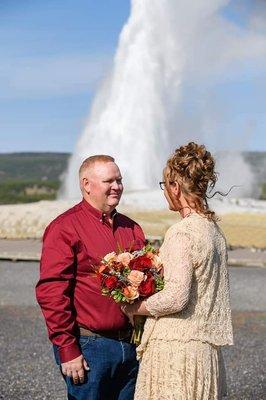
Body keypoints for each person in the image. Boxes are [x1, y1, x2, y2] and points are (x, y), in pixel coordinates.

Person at [122, 142, 233, 400]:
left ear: (175, 186)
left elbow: (176, 296)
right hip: (205, 352)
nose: (165, 192)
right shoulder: (215, 232)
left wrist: (133, 307)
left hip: (176, 350)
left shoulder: (182, 232)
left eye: (165, 185)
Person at [36, 155, 145, 400]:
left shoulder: (132, 228)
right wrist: (67, 349)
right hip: (89, 348)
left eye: (119, 180)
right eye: (109, 181)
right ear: (87, 185)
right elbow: (52, 292)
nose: (117, 186)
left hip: (131, 346)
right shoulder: (65, 228)